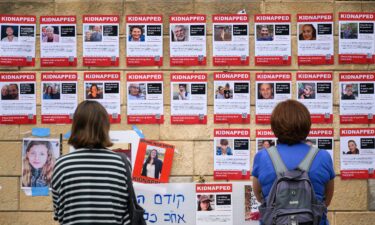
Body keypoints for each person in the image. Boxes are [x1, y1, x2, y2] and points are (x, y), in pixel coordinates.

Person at [252, 100, 335, 225]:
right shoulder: (322, 156)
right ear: (306, 124)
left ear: (275, 126)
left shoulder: (262, 157)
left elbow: (259, 197)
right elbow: (327, 200)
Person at [51, 101, 130, 225]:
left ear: (76, 127)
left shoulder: (62, 164)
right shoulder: (122, 163)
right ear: (105, 127)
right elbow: (127, 212)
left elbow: (59, 214)